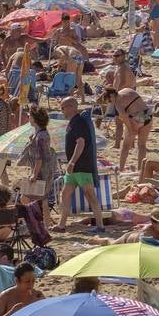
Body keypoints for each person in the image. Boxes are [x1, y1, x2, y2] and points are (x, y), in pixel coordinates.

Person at [57, 96, 105, 231]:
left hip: (81, 166)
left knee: (90, 194)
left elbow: (81, 143)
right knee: (65, 194)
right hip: (74, 168)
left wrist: (72, 162)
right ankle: (61, 224)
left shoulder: (78, 123)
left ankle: (100, 225)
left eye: (63, 108)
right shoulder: (73, 123)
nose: (62, 111)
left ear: (71, 107)